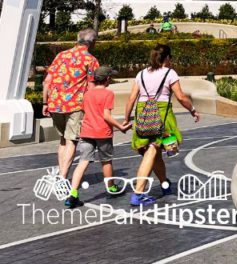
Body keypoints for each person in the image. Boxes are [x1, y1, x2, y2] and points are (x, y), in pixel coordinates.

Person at [124, 44, 199, 206]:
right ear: (167, 58)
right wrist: (192, 110)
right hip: (161, 114)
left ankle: (165, 184)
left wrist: (126, 118)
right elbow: (180, 96)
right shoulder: (170, 73)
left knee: (155, 152)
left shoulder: (141, 73)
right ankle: (138, 193)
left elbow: (131, 98)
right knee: (152, 151)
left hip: (143, 113)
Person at [65, 66, 131, 208]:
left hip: (86, 132)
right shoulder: (108, 94)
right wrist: (121, 127)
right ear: (107, 79)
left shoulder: (87, 94)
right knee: (106, 161)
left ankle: (73, 194)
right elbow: (106, 115)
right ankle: (111, 188)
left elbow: (85, 110)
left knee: (83, 161)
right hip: (102, 132)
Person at [43, 29, 99, 179]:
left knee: (62, 140)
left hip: (55, 103)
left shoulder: (61, 55)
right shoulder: (90, 59)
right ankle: (63, 177)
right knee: (71, 141)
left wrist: (44, 103)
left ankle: (61, 174)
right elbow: (91, 86)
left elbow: (47, 81)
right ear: (92, 42)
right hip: (75, 105)